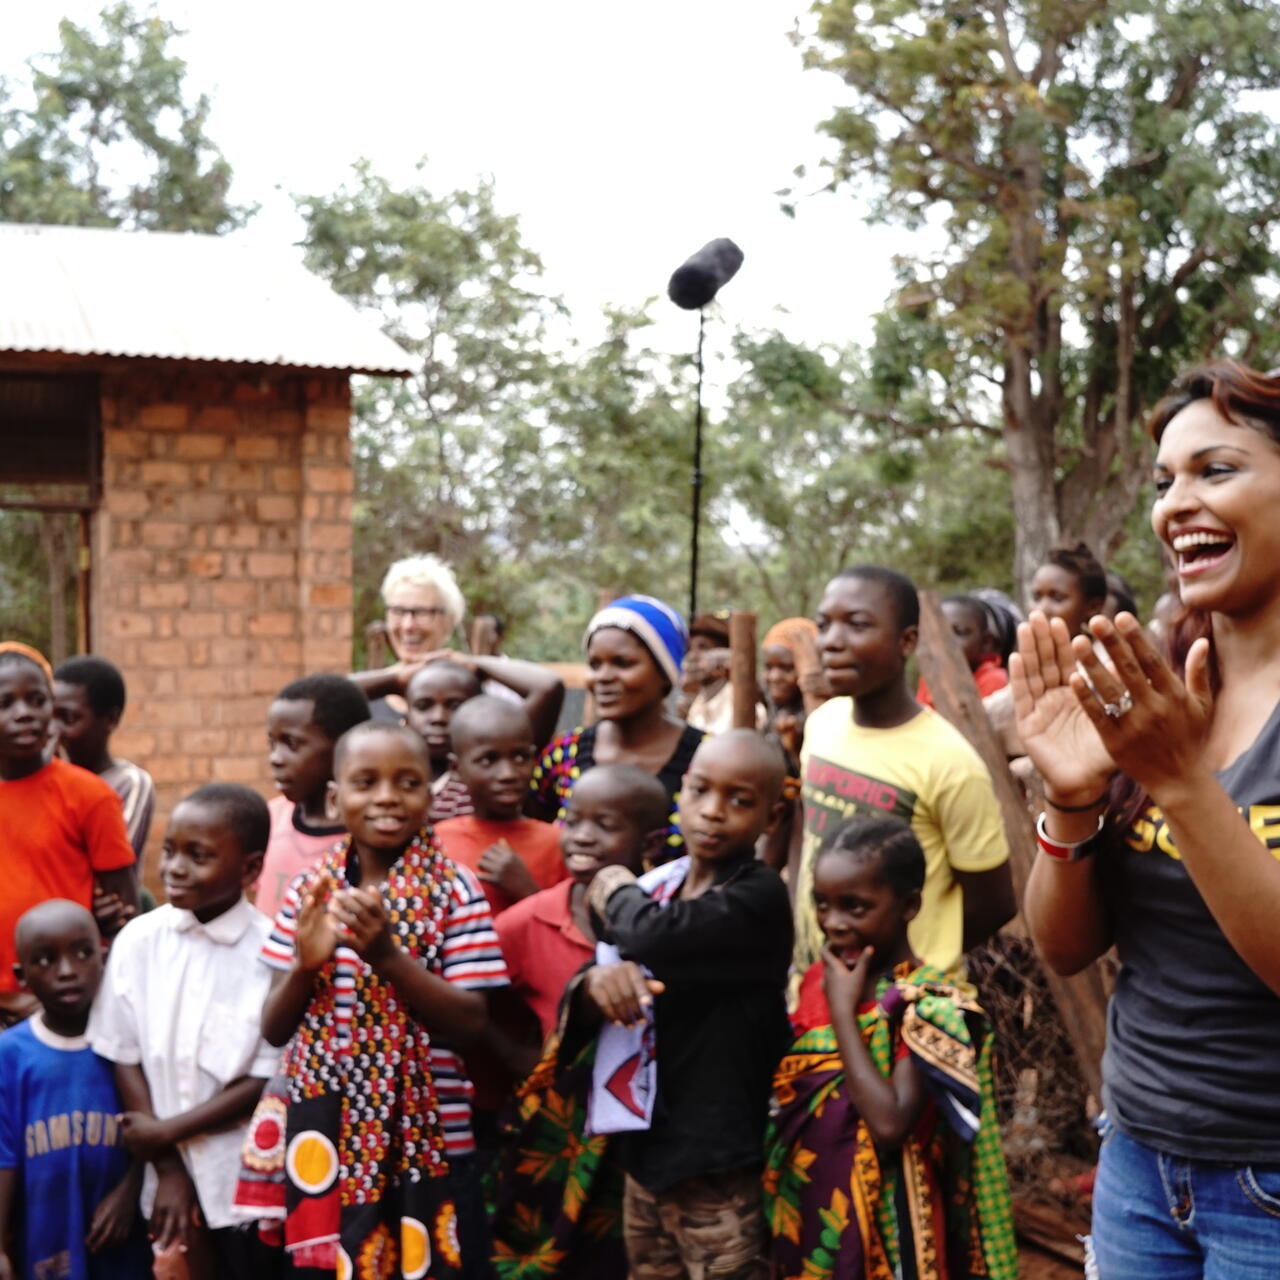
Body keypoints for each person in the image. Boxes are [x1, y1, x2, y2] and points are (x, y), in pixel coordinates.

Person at [1015, 361, 1280, 1277]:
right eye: (1165, 482)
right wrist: (1072, 797)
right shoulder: (1157, 685)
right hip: (1137, 1163)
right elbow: (1064, 948)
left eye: (1216, 470)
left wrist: (1178, 781)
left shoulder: (1163, 737)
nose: (1176, 506)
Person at [258, 721, 509, 1276]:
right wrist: (305, 967)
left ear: (431, 796)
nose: (388, 797)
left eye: (408, 783)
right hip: (328, 1142)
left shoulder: (456, 890)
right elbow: (273, 1029)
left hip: (435, 1142)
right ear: (334, 798)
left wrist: (387, 957)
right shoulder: (310, 892)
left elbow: (472, 1023)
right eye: (366, 782)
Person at [765, 816, 1015, 1279]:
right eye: (822, 904)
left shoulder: (925, 1005)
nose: (833, 923)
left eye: (855, 907)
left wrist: (843, 1013)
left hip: (892, 1225)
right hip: (807, 1210)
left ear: (910, 905)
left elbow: (890, 1122)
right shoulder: (822, 978)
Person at [582, 730, 792, 1280]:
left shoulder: (757, 897)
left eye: (739, 800)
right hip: (648, 1152)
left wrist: (611, 881)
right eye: (700, 790)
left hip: (715, 1166)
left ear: (771, 817)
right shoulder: (666, 884)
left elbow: (649, 934)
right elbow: (613, 940)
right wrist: (603, 979)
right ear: (682, 791)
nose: (713, 812)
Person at [87, 783, 280, 1274]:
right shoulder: (139, 941)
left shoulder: (272, 954)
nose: (174, 867)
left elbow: (263, 1078)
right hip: (161, 1184)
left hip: (243, 1184)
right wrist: (169, 1166)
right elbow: (123, 1055)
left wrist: (165, 1133)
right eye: (170, 850)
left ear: (250, 869)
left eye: (199, 856)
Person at [789, 567, 1014, 984]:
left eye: (857, 624)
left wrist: (916, 968)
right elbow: (805, 830)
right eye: (824, 624)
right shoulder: (822, 725)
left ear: (907, 641)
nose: (831, 641)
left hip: (901, 1003)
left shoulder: (949, 762)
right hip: (815, 984)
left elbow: (994, 903)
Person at [488, 765, 671, 1277]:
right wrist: (527, 1061)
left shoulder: (672, 917)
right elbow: (474, 1008)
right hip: (561, 1139)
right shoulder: (529, 919)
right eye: (572, 821)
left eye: (605, 825)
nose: (582, 837)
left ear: (651, 842)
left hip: (646, 1140)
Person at [0, 900, 149, 1280]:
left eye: (83, 954)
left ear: (104, 959)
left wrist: (131, 1190)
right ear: (21, 975)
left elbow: (155, 1129)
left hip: (126, 1245)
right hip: (45, 1242)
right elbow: (4, 1157)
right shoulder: (11, 1054)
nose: (67, 971)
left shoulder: (131, 1043)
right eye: (46, 960)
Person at [0, 649, 137, 1028]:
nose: (24, 713)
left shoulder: (91, 797)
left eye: (37, 700)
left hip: (68, 1007)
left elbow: (125, 917)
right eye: (5, 703)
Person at [530, 595, 704, 860]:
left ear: (665, 672)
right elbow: (530, 832)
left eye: (622, 663)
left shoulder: (706, 759)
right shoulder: (564, 753)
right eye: (595, 664)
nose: (603, 677)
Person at [435, 698, 567, 916]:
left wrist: (526, 890)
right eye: (488, 760)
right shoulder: (436, 843)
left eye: (520, 757)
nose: (508, 774)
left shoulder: (559, 844)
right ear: (456, 768)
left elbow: (570, 929)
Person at [259, 673, 371, 918]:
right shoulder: (267, 820)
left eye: (292, 744)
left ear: (343, 747)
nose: (275, 758)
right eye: (272, 744)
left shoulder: (369, 839)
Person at [986, 544, 1107, 759]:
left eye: (1057, 598)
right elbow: (998, 709)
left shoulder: (1105, 666)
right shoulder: (1031, 662)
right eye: (1036, 597)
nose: (1041, 609)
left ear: (1092, 607)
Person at [52, 656, 156, 859]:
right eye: (49, 716)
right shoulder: (40, 779)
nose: (54, 730)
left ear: (111, 720)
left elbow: (108, 862)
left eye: (68, 718)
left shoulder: (130, 783)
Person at [916, 593, 1009, 707]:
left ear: (986, 642)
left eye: (959, 632)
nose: (946, 642)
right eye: (938, 633)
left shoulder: (993, 680)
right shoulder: (930, 680)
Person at [761, 617, 823, 766]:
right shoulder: (771, 705)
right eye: (769, 667)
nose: (774, 677)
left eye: (787, 668)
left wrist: (794, 744)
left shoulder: (824, 712)